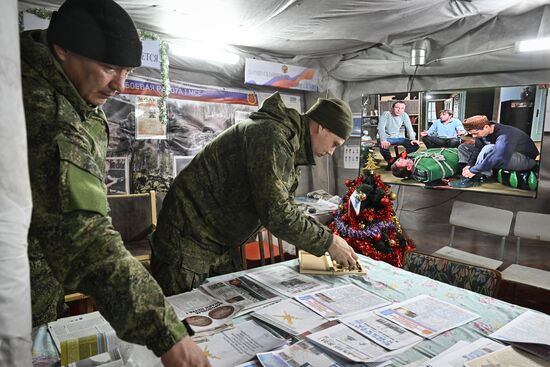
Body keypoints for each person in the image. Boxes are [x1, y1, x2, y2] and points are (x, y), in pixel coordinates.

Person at [21, 0, 210, 365]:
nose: (119, 85)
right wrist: (168, 336)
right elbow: (85, 241)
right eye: (109, 67)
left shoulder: (69, 93)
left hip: (40, 278)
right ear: (61, 49)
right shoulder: (45, 113)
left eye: (125, 71)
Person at [151, 93, 359, 296]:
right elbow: (277, 212)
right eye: (334, 143)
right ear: (321, 127)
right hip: (187, 243)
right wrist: (328, 242)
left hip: (217, 242)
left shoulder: (287, 142)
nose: (331, 152)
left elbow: (282, 203)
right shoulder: (271, 136)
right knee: (183, 322)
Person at [458, 115, 539, 181]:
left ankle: (481, 175)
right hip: (503, 156)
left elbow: (499, 156)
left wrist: (474, 170)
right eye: (472, 134)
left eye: (476, 133)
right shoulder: (481, 134)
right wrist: (470, 165)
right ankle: (466, 172)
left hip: (525, 160)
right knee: (463, 147)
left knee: (489, 148)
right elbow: (477, 150)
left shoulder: (505, 134)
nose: (474, 136)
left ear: (486, 127)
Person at [377, 101, 420, 169]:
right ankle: (390, 160)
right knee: (383, 145)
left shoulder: (404, 115)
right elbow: (380, 128)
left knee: (415, 145)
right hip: (386, 137)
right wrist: (383, 140)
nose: (399, 110)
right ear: (392, 108)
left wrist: (413, 139)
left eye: (402, 108)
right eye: (397, 107)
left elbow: (409, 127)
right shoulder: (386, 114)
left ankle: (398, 158)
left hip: (398, 137)